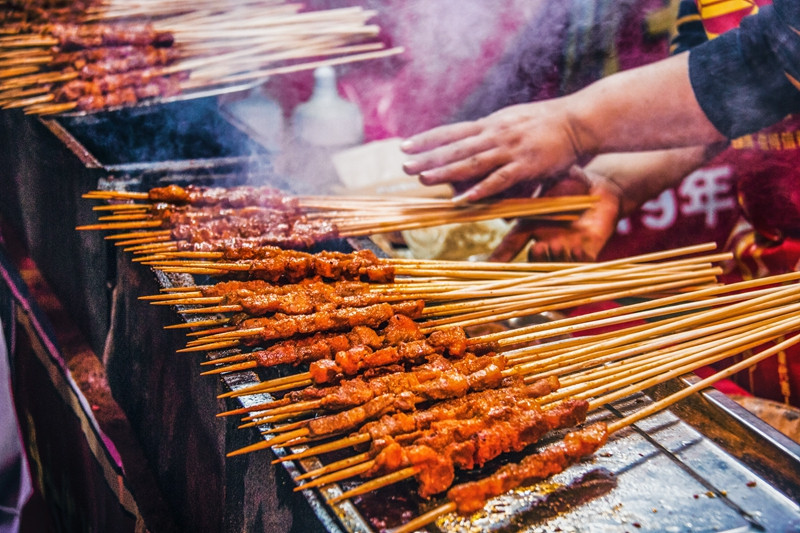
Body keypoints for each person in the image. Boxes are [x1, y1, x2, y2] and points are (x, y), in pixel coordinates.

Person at [401, 0, 800, 406]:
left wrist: (573, 125)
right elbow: (722, 105)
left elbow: (769, 56)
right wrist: (612, 185)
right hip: (766, 285)